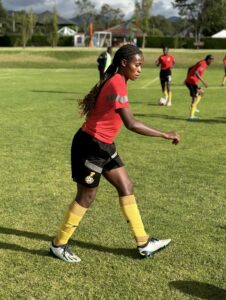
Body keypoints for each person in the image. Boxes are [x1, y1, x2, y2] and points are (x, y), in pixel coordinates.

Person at [50, 44, 180, 263]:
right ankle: (58, 244)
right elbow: (130, 123)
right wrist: (164, 134)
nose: (139, 69)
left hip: (104, 145)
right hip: (89, 147)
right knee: (87, 196)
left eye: (141, 66)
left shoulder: (118, 80)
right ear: (123, 63)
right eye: (137, 65)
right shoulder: (117, 83)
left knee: (125, 185)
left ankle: (144, 242)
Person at [184, 54, 214, 120]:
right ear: (208, 60)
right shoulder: (203, 64)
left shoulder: (201, 62)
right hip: (191, 82)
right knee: (194, 98)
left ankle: (194, 107)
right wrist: (204, 82)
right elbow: (196, 72)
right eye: (211, 61)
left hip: (191, 81)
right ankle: (191, 116)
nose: (211, 62)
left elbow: (190, 68)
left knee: (201, 93)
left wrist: (187, 77)